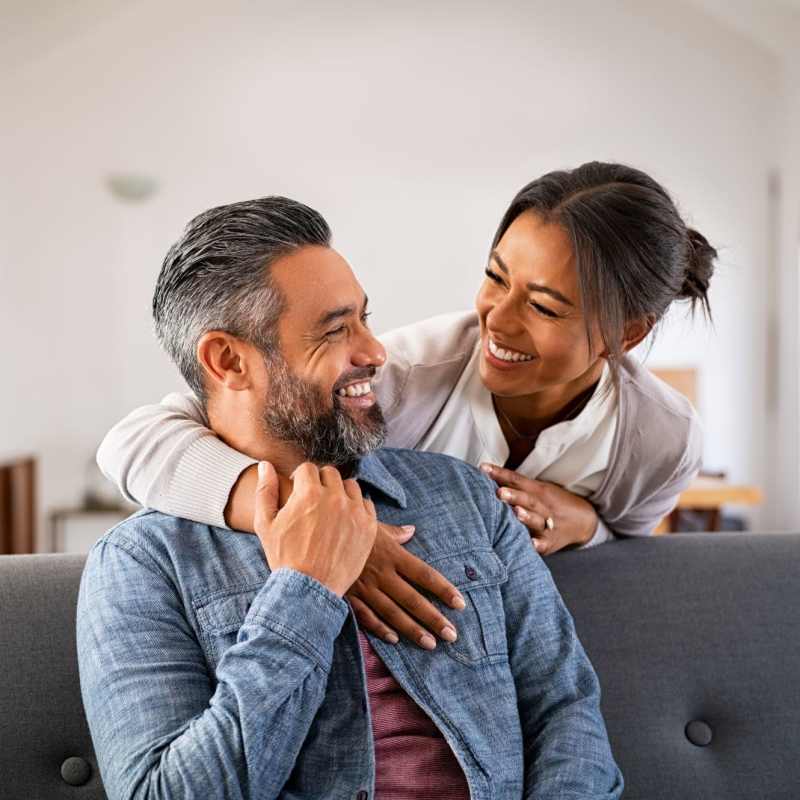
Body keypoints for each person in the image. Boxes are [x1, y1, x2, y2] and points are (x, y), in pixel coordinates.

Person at [77, 196, 623, 799]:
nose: (375, 351)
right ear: (228, 360)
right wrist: (303, 591)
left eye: (365, 318)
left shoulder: (467, 496)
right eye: (336, 330)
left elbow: (566, 709)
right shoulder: (142, 564)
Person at [97, 161, 716, 647]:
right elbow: (134, 442)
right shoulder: (406, 375)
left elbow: (632, 551)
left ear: (625, 334)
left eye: (545, 306)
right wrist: (322, 527)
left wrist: (588, 525)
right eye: (495, 277)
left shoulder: (661, 439)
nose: (496, 320)